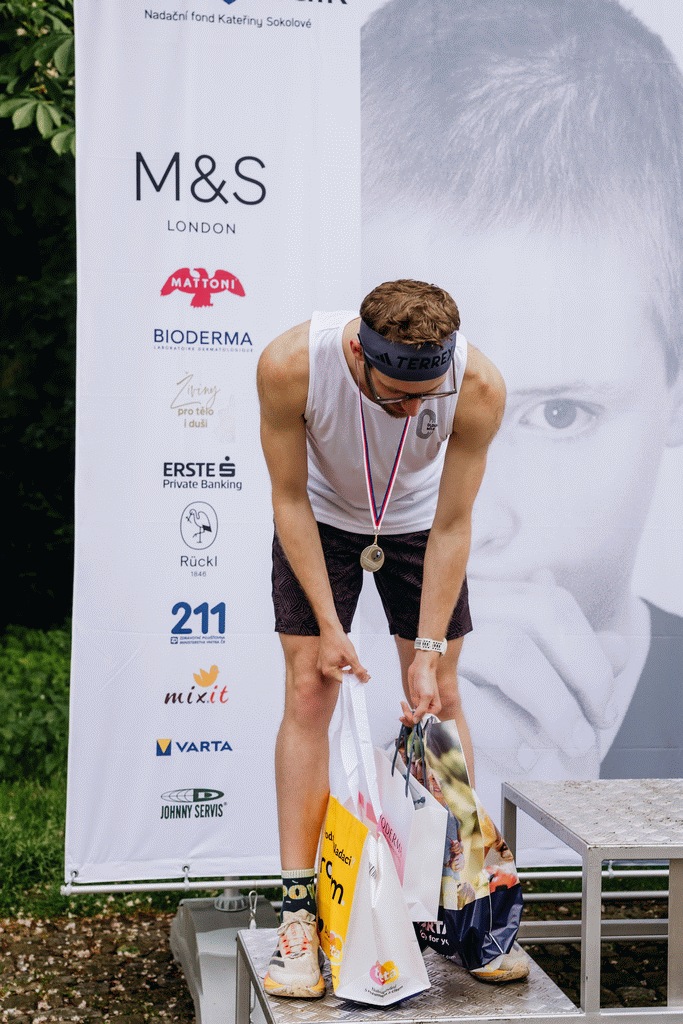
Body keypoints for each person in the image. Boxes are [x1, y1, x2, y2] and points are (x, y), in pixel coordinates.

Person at [361, 0, 683, 836]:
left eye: (560, 415)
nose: (477, 519)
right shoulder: (276, 705)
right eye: (410, 403)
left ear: (675, 391)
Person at [257, 279, 528, 997]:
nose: (413, 411)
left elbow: (453, 522)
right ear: (358, 351)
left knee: (440, 701)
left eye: (425, 397)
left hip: (418, 526)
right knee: (309, 689)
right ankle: (299, 919)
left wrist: (428, 654)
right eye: (396, 398)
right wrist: (328, 626)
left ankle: (469, 905)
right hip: (320, 519)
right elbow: (287, 496)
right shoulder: (290, 365)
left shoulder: (477, 386)